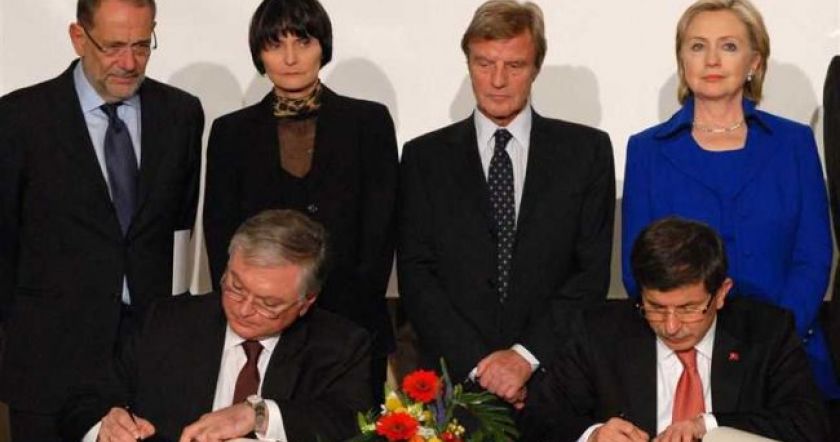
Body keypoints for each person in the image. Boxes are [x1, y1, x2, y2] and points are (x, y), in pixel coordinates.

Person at [0, 0, 203, 439]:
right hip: (47, 366)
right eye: (113, 47)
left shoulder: (181, 115)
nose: (129, 63)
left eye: (142, 46)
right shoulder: (18, 118)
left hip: (148, 365)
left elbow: (179, 233)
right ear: (79, 38)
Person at [398, 0, 615, 408]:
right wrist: (482, 367)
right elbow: (417, 275)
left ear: (536, 67)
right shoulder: (424, 158)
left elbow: (590, 274)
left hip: (555, 383)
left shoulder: (586, 152)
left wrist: (524, 358)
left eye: (514, 66)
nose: (498, 80)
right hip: (454, 384)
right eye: (484, 64)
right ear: (468, 64)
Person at [621, 0, 840, 401]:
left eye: (729, 46)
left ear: (754, 61)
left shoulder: (793, 143)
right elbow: (637, 269)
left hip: (788, 356)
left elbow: (813, 258)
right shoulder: (647, 150)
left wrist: (773, 343)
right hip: (683, 361)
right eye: (697, 46)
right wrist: (699, 341)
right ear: (682, 60)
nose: (712, 60)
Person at [203, 0, 398, 402]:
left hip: (352, 326)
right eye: (276, 45)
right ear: (259, 53)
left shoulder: (368, 123)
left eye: (303, 42)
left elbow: (380, 237)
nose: (290, 58)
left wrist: (339, 321)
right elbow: (221, 237)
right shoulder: (231, 133)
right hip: (261, 333)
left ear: (322, 47)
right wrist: (259, 313)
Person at [60, 209, 372, 442]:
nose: (244, 309)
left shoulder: (340, 345)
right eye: (236, 287)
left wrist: (258, 415)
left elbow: (350, 423)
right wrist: (104, 426)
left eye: (268, 303)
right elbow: (83, 401)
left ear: (306, 302)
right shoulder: (166, 321)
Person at [523, 217, 828, 442]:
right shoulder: (599, 332)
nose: (671, 326)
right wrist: (593, 435)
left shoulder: (766, 332)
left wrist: (710, 426)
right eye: (655, 307)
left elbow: (809, 423)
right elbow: (539, 418)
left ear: (721, 293)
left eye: (688, 309)